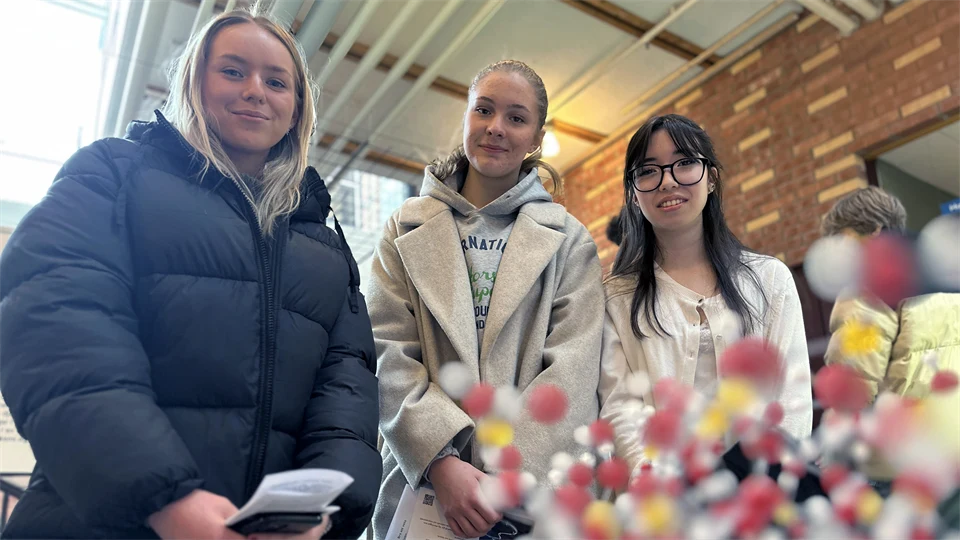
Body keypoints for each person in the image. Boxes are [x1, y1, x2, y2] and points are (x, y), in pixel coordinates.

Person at [0, 9, 380, 540]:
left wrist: (321, 508)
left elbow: (347, 389)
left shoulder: (323, 239)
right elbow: (57, 331)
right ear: (194, 84)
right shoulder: (112, 175)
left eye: (276, 81)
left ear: (296, 110)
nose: (255, 90)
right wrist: (163, 497)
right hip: (105, 522)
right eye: (232, 71)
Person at [368, 60, 604, 539]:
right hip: (422, 489)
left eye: (516, 118)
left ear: (537, 137)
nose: (496, 128)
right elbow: (385, 351)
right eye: (484, 111)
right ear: (466, 118)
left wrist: (501, 483)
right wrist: (441, 460)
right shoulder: (403, 226)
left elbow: (573, 372)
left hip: (525, 503)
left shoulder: (569, 241)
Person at [598, 114, 813, 476]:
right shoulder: (616, 297)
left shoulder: (769, 279)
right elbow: (619, 404)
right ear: (634, 194)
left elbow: (792, 398)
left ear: (711, 178)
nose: (667, 181)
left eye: (684, 164)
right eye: (648, 171)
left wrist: (767, 486)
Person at [821, 187, 960, 495]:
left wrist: (831, 455)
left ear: (875, 232)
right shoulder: (947, 278)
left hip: (904, 462)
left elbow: (853, 381)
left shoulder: (868, 287)